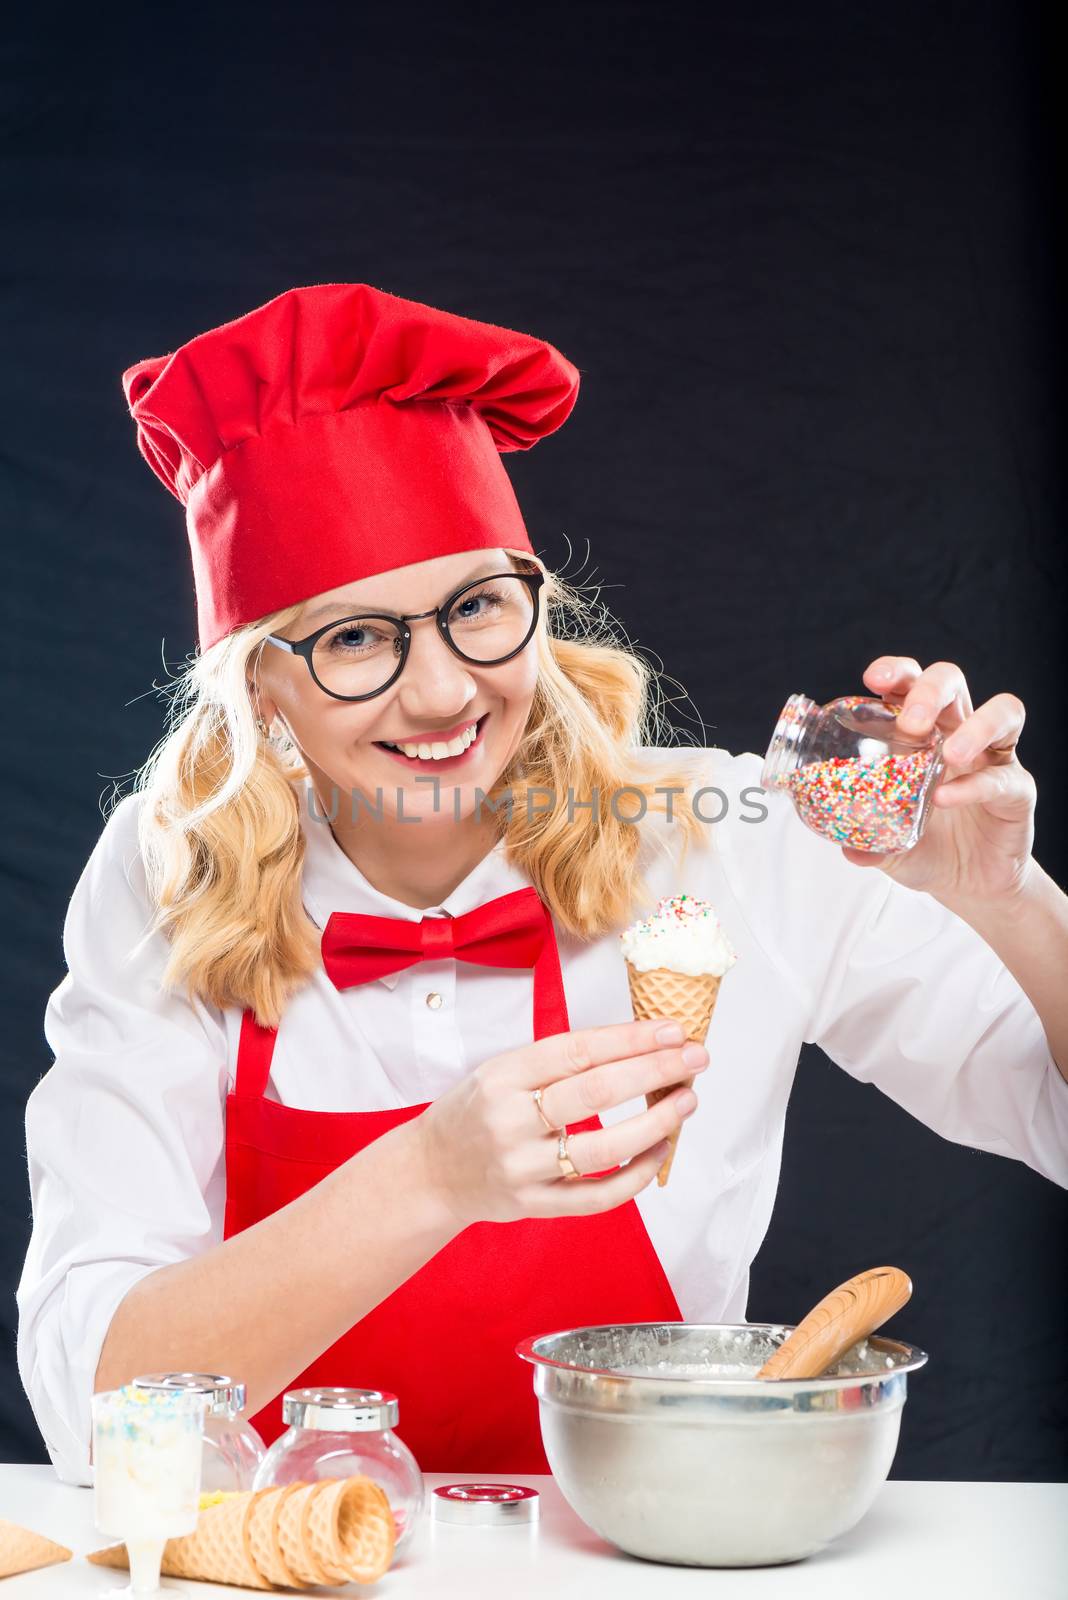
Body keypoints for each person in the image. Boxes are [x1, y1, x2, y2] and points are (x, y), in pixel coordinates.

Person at [16, 283, 1068, 1488]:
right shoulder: (169, 871)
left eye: (476, 608)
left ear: (534, 602)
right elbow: (90, 1402)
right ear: (260, 686)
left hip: (647, 1558)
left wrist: (1007, 898)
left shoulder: (730, 840)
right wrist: (434, 1173)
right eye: (355, 638)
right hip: (271, 1570)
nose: (442, 695)